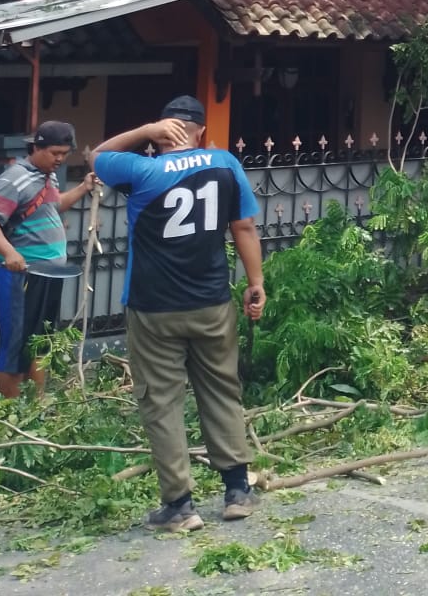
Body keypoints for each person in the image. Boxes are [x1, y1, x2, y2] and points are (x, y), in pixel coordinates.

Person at [91, 97, 266, 531]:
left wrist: (144, 131)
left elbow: (96, 156)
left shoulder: (141, 170)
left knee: (161, 401)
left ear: (164, 130)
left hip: (153, 308)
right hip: (211, 303)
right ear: (201, 131)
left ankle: (179, 506)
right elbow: (243, 226)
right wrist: (256, 282)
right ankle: (237, 491)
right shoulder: (225, 163)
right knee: (222, 390)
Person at [0, 121, 94, 398]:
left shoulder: (46, 177)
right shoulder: (14, 178)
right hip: (20, 274)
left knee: (41, 342)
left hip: (48, 273)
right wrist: (9, 252)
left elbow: (53, 206)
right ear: (36, 148)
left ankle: (36, 408)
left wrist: (83, 187)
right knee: (15, 346)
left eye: (65, 153)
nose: (60, 159)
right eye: (55, 153)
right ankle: (10, 412)